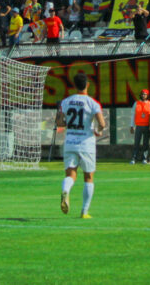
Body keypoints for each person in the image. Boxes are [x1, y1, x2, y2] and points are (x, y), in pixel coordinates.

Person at [57, 72, 105, 219]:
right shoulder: (93, 103)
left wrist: (68, 124)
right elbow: (102, 123)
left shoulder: (66, 102)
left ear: (74, 85)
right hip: (86, 144)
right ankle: (84, 212)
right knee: (88, 177)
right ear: (88, 85)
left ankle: (66, 190)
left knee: (71, 174)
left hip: (70, 142)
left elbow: (59, 122)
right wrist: (97, 131)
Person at [130, 89, 150, 164]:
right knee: (136, 142)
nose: (143, 95)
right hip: (138, 126)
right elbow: (133, 115)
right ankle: (134, 158)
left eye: (145, 94)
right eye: (142, 94)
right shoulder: (136, 103)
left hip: (147, 126)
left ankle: (144, 158)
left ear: (147, 95)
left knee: (146, 143)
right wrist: (132, 126)